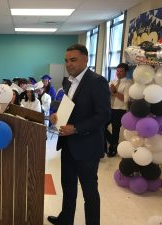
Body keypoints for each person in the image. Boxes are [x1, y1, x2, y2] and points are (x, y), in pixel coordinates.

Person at [48, 44, 111, 225]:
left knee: (89, 192)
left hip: (87, 146)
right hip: (68, 144)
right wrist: (57, 115)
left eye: (73, 60)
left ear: (86, 59)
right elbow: (71, 106)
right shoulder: (68, 81)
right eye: (66, 61)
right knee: (68, 186)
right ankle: (65, 219)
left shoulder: (97, 81)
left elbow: (103, 115)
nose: (69, 64)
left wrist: (75, 128)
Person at [106, 63, 132, 157]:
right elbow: (107, 95)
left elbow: (125, 100)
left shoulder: (128, 83)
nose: (118, 73)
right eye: (117, 71)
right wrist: (110, 92)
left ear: (126, 72)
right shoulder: (112, 81)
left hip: (120, 110)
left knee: (115, 129)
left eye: (121, 71)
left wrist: (115, 92)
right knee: (102, 126)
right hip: (109, 108)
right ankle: (113, 143)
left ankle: (113, 148)